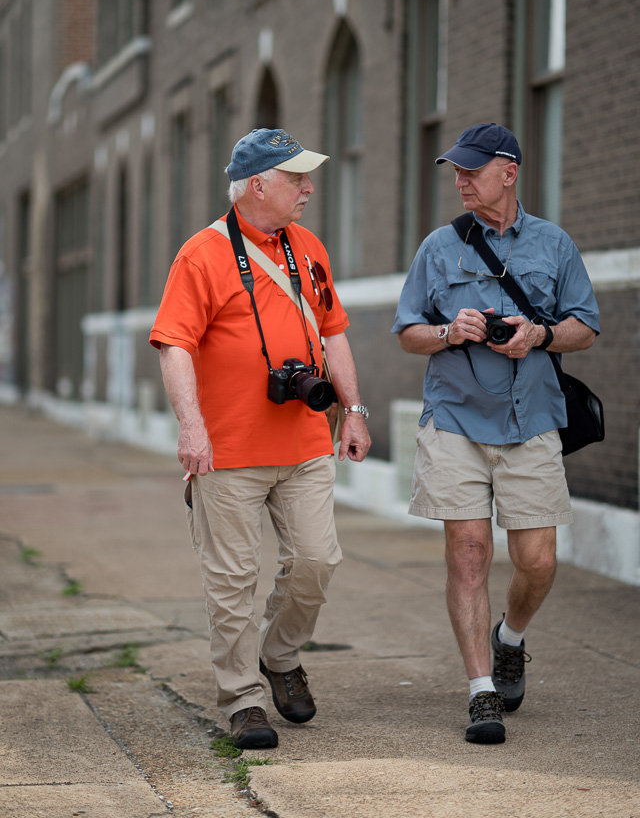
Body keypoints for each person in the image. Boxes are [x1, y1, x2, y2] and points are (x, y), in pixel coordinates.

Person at [150, 127, 371, 749]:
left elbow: (333, 334)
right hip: (228, 451)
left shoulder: (309, 247)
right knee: (232, 582)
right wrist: (191, 428)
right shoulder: (202, 254)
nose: (307, 188)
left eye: (307, 177)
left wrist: (352, 409)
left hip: (304, 444)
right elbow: (174, 345)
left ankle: (279, 657)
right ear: (256, 186)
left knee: (316, 561)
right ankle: (242, 698)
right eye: (295, 178)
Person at [392, 123, 599, 745]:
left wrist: (538, 334)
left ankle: (509, 637)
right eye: (455, 170)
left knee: (537, 561)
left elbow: (585, 325)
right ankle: (482, 692)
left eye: (473, 170)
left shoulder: (553, 244)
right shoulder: (438, 248)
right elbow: (407, 333)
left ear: (508, 172)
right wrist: (449, 332)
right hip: (454, 419)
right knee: (470, 553)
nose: (461, 180)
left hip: (531, 419)